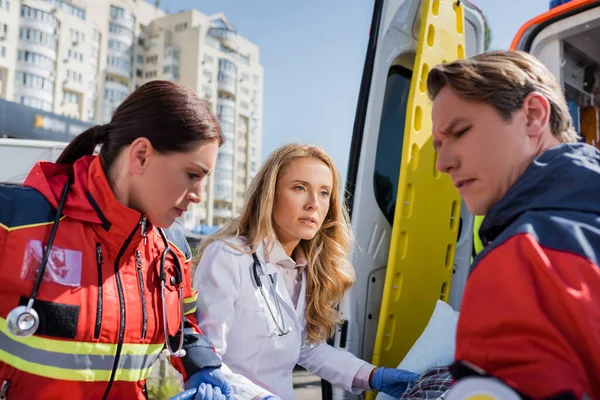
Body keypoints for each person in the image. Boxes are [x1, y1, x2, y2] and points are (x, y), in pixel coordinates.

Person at [0, 80, 232, 400]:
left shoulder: (173, 251)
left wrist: (202, 365)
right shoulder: (13, 220)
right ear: (140, 156)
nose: (198, 197)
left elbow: (183, 323)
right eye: (193, 175)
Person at [427, 50, 600, 398]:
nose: (442, 163)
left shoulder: (522, 260)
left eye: (459, 131)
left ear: (534, 116)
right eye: (438, 145)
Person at [192, 143, 419, 400]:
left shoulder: (302, 270)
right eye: (300, 188)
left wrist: (372, 376)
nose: (314, 204)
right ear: (270, 194)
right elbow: (205, 358)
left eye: (324, 193)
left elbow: (307, 349)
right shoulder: (229, 256)